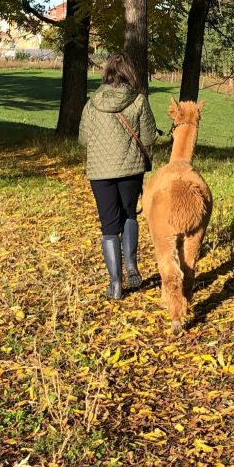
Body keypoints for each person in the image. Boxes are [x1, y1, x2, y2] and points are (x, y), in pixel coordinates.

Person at [79, 53, 157, 300]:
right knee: (129, 214)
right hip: (131, 168)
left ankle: (115, 284)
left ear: (107, 72)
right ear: (129, 73)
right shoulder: (139, 100)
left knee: (109, 225)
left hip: (100, 172)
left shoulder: (93, 102)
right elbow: (148, 137)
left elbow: (83, 138)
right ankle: (131, 265)